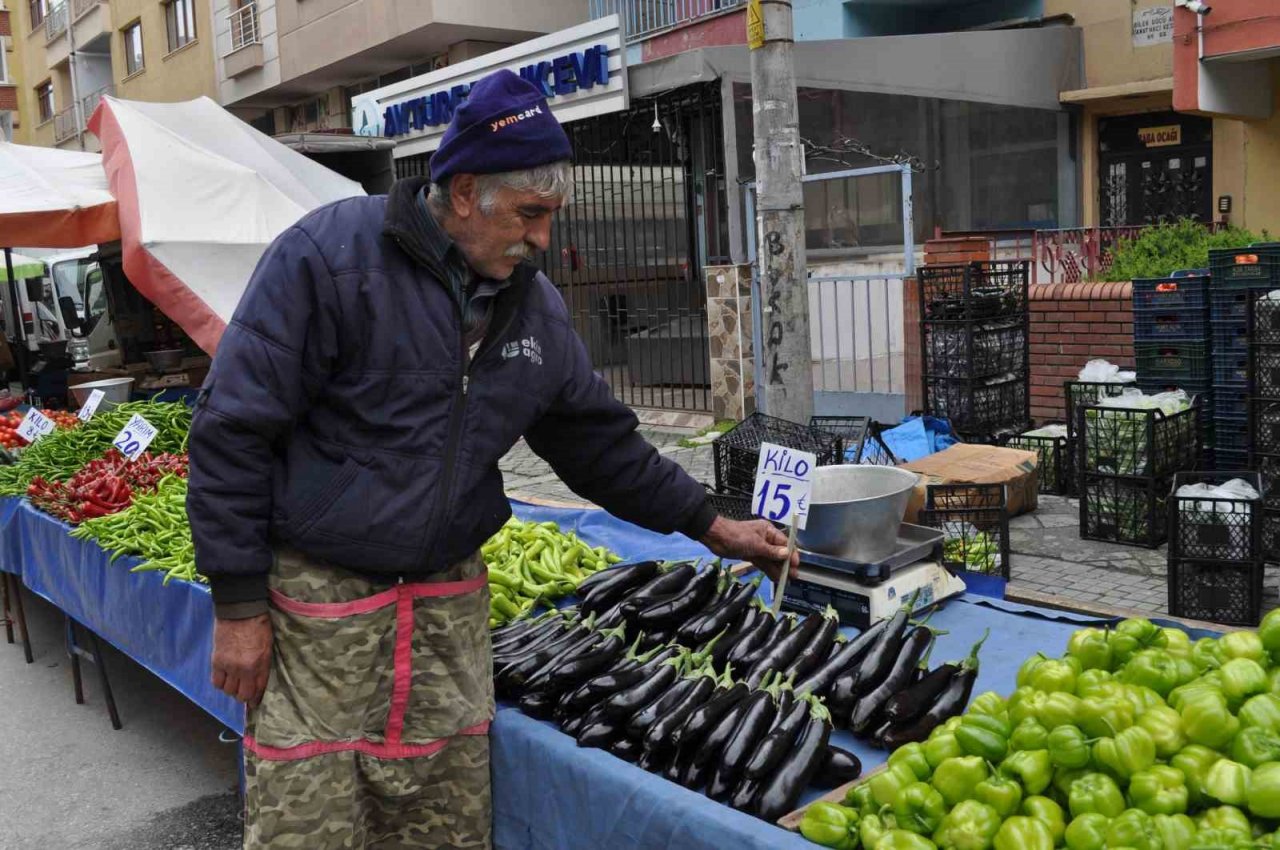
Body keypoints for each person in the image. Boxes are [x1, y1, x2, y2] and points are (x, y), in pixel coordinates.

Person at [187, 69, 798, 850]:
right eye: (529, 214)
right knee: (310, 818)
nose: (543, 238)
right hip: (321, 604)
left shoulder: (531, 307)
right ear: (465, 190)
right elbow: (233, 430)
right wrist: (238, 606)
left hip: (446, 604)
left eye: (551, 216)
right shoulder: (329, 258)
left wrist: (711, 525)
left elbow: (597, 443)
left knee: (443, 818)